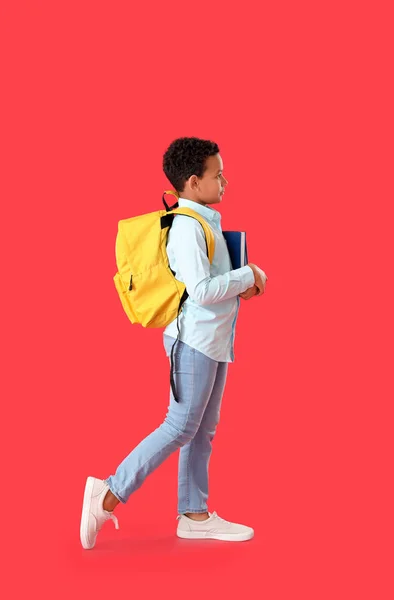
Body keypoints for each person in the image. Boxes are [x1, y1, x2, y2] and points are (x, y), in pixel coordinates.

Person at [80, 136, 268, 549]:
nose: (225, 182)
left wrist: (245, 284)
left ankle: (193, 515)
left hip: (214, 341)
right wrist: (247, 274)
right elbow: (200, 289)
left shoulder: (204, 222)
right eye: (218, 175)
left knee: (202, 430)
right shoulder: (186, 227)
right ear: (193, 181)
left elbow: (209, 287)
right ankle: (108, 494)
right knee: (181, 425)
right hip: (195, 342)